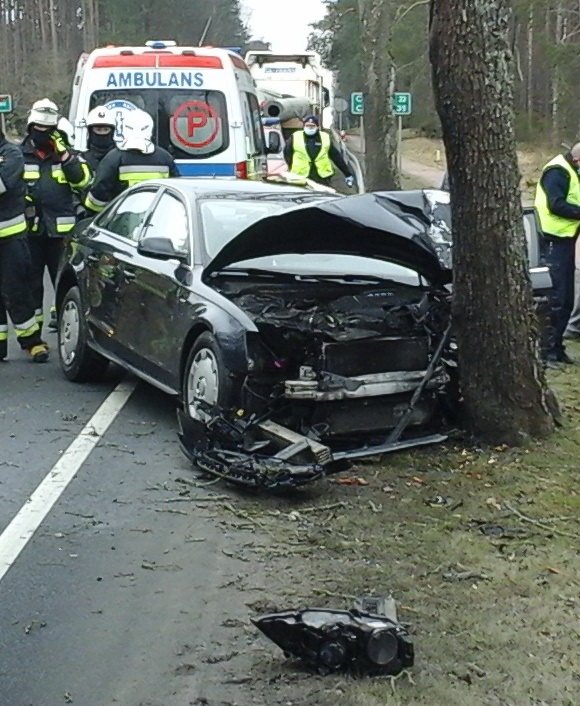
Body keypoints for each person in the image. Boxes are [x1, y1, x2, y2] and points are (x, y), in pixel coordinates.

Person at [22, 99, 91, 333]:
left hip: (62, 236)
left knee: (63, 283)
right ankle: (34, 336)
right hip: (29, 233)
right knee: (31, 286)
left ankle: (65, 332)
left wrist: (65, 156)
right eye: (38, 128)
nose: (42, 132)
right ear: (30, 127)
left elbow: (82, 181)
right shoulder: (19, 155)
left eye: (48, 129)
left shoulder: (69, 156)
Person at [0, 125, 49, 362]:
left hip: (10, 237)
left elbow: (2, 185)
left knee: (17, 289)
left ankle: (32, 342)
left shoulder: (11, 154)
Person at [534, 143, 580, 364]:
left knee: (567, 297)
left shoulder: (571, 170)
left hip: (566, 240)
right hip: (552, 240)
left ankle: (557, 347)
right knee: (556, 298)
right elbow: (556, 205)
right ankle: (548, 350)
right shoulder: (557, 171)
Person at [84, 109, 179, 213]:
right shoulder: (165, 157)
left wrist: (107, 214)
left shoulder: (114, 158)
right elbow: (176, 189)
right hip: (157, 215)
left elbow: (97, 195)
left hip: (123, 217)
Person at [283, 115, 355, 188]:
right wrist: (292, 166)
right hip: (300, 177)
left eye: (312, 126)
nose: (310, 128)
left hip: (321, 177)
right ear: (304, 126)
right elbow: (287, 154)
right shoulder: (295, 137)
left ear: (317, 127)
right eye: (307, 126)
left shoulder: (325, 137)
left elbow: (336, 157)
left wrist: (347, 174)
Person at [82, 106, 117, 172]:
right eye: (98, 129)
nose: (102, 133)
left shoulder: (119, 158)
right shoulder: (82, 159)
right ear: (90, 132)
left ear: (112, 132)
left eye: (106, 130)